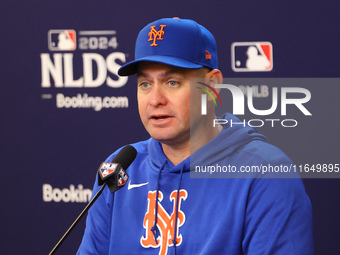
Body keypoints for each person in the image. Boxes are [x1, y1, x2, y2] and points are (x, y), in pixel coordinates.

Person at [77, 18, 313, 254]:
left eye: (172, 82)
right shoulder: (120, 168)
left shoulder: (265, 174)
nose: (155, 99)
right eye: (145, 84)